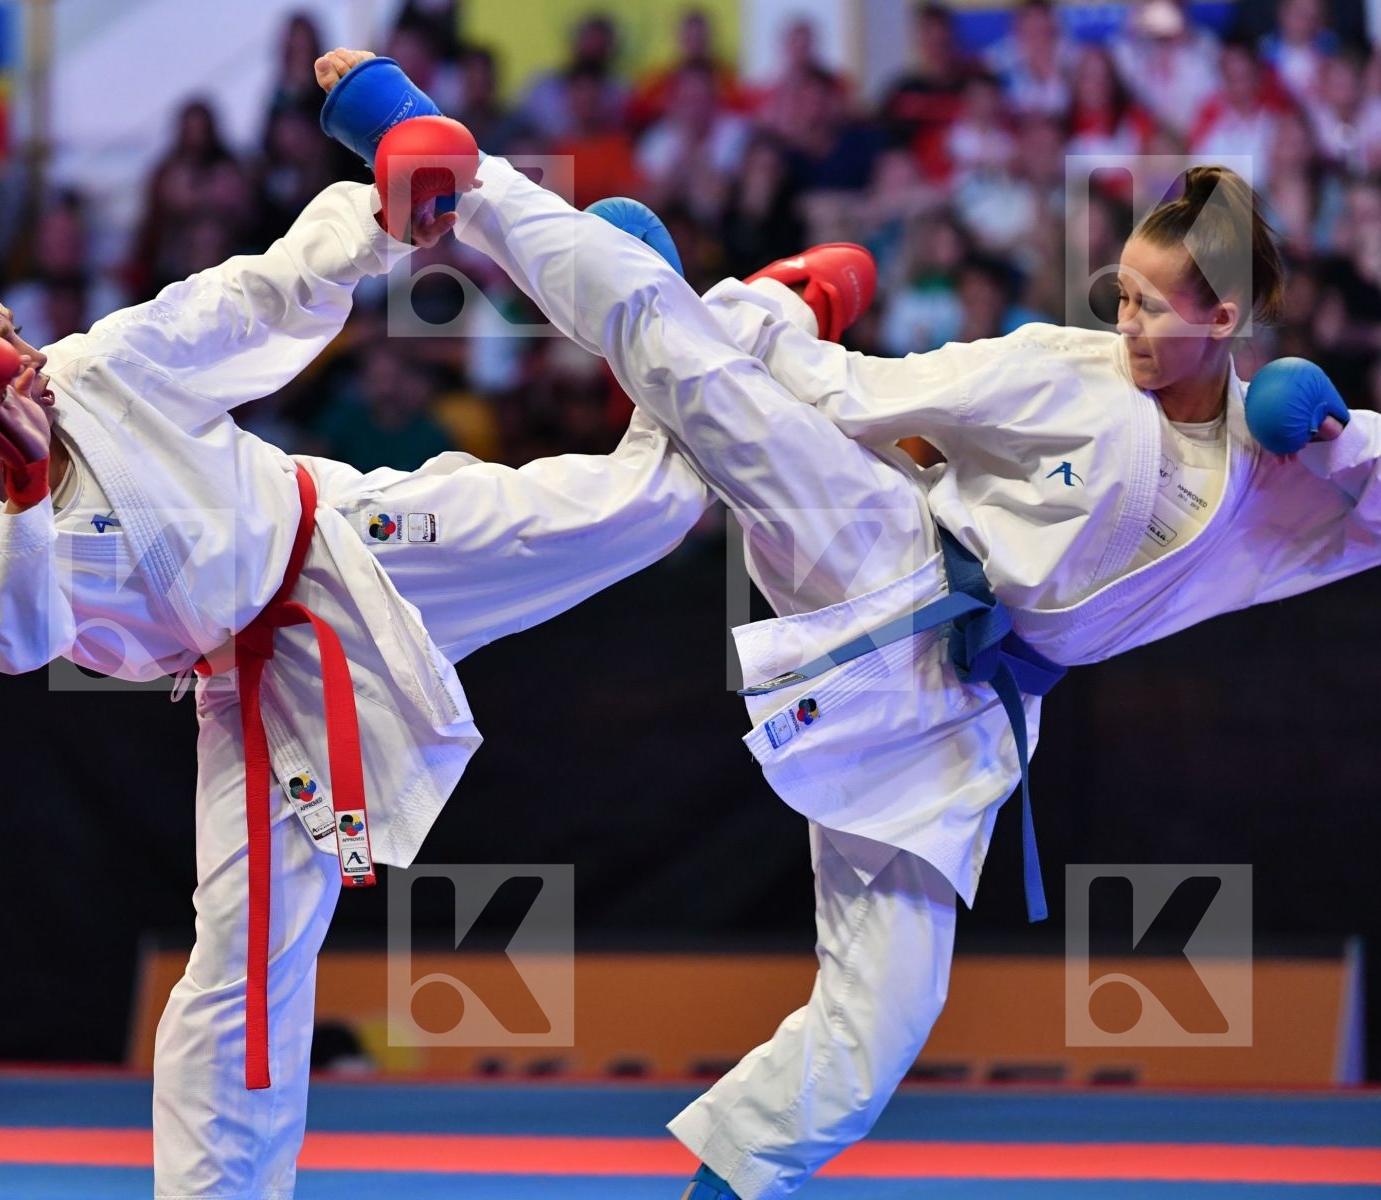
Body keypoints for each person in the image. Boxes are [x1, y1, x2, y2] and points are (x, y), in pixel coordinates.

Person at [414, 95, 1374, 1198]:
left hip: (959, 724)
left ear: (1227, 321)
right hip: (889, 557)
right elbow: (869, 395)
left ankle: (718, 1189)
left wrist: (1339, 445)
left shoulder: (1270, 466)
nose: (1130, 328)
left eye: (1159, 311)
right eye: (1125, 299)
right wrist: (771, 330)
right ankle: (470, 182)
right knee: (709, 385)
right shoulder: (1065, 370)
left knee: (882, 1024)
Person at [0, 50, 708, 1199]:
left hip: (341, 539)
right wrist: (27, 496)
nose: (32, 351)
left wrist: (381, 221)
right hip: (251, 687)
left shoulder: (96, 367)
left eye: (16, 325)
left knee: (620, 516)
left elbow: (250, 297)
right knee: (241, 962)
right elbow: (11, 638)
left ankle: (673, 331)